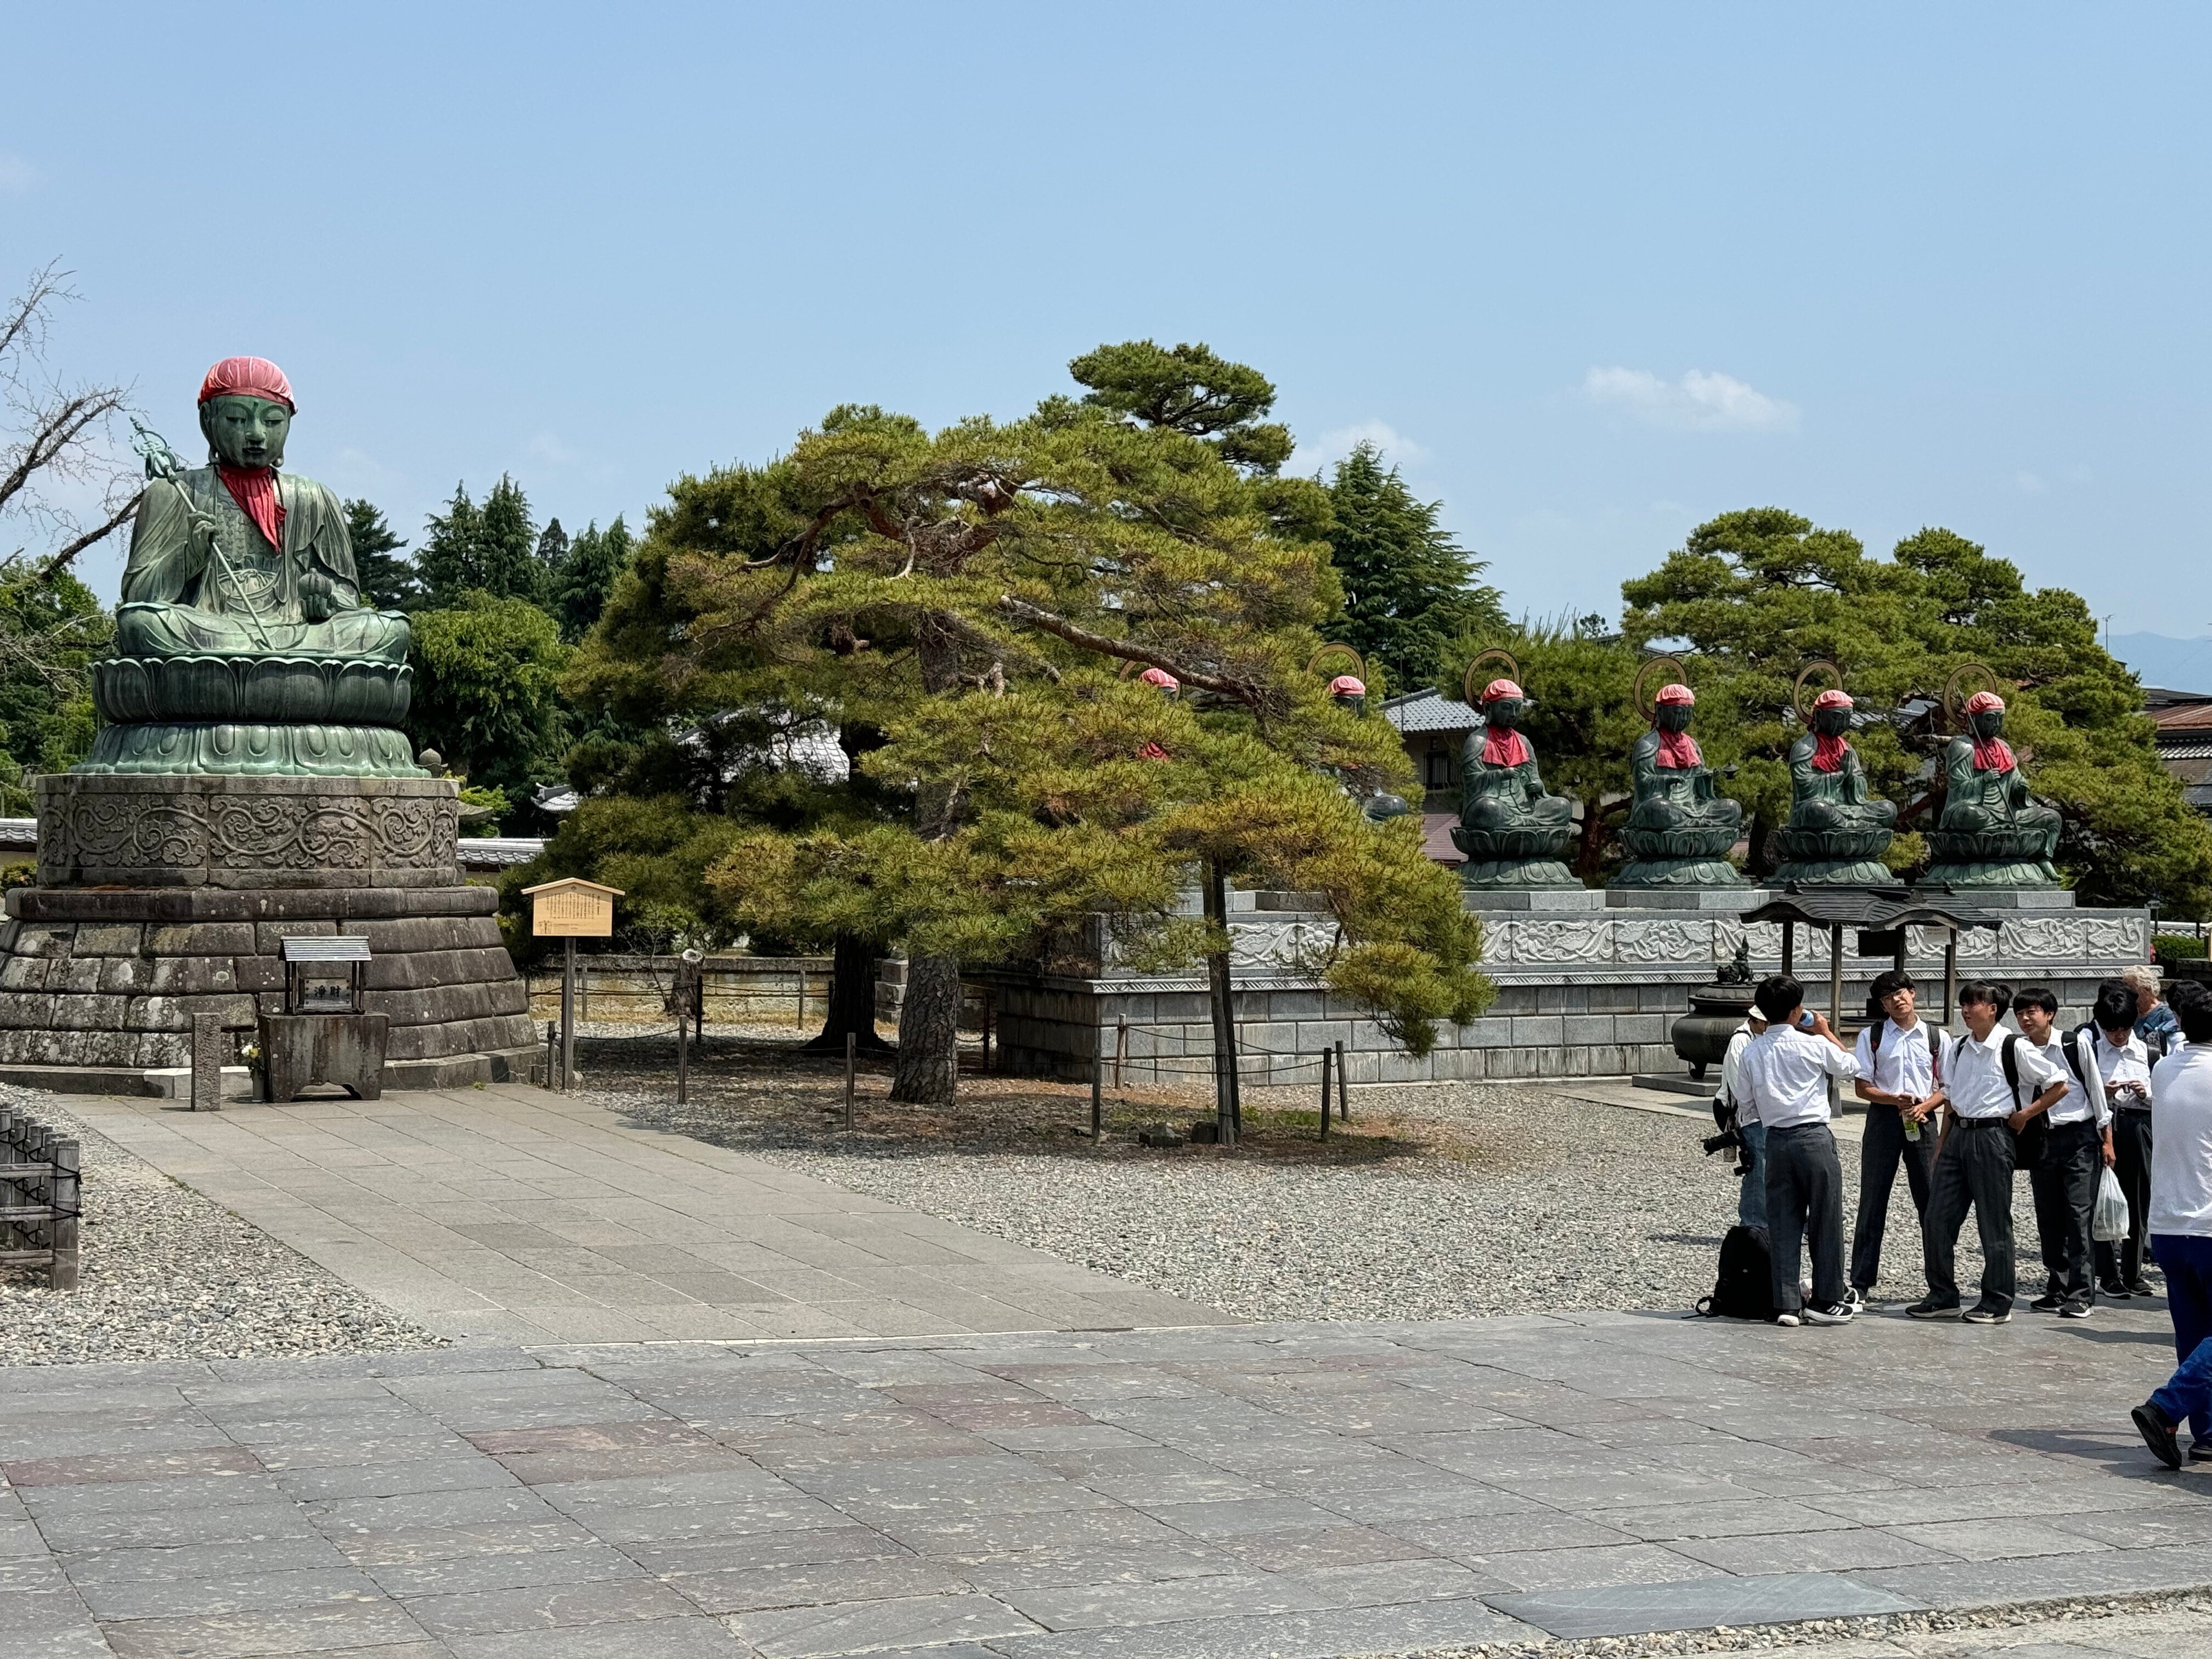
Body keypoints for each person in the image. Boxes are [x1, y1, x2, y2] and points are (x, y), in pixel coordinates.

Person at [1909, 981, 2067, 1323]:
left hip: (1994, 1137)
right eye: (1963, 1004)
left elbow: (2059, 1083)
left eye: (1974, 1004)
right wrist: (1941, 1145)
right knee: (1936, 1218)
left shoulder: (2014, 1047)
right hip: (1958, 1135)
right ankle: (1943, 1295)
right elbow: (1950, 1098)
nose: (1966, 1010)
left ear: (1993, 1009)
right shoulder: (1960, 1046)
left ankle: (1997, 1301)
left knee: (1993, 1222)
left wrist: (2026, 1113)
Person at [1734, 973, 1861, 1327]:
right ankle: (1826, 1298)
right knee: (1825, 1217)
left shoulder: (1751, 1051)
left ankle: (1786, 1303)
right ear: (1796, 1010)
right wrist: (1824, 1031)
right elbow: (1852, 1067)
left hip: (1775, 1138)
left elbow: (1746, 1104)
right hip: (1813, 1136)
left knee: (1783, 1220)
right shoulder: (1813, 1044)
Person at [2126, 981, 2212, 1469]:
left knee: (2194, 1334)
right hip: (2208, 1221)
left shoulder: (2163, 1068)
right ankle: (2166, 1406)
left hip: (2168, 1224)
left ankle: (2208, 1434)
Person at [2012, 986, 2110, 1318]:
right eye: (2020, 1013)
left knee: (2078, 1214)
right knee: (2048, 1215)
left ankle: (2082, 1292)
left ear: (2049, 1014)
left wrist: (2106, 1139)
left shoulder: (2073, 1043)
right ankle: (2057, 1284)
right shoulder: (2019, 1049)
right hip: (2042, 1139)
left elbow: (2096, 1090)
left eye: (2032, 1012)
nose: (2025, 1019)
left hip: (2080, 1136)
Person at [1848, 970, 1942, 1307]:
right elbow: (1862, 1086)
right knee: (1873, 1199)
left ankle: (1940, 1281)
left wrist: (1926, 1106)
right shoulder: (1872, 1036)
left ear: (1913, 993)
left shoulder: (1935, 1036)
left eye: (1901, 992)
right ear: (1882, 1004)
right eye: (1888, 998)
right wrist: (1893, 1099)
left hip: (1924, 1117)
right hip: (1885, 1118)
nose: (1897, 1000)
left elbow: (1947, 1085)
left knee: (1931, 1201)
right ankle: (1860, 1282)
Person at [2090, 979, 2159, 1299]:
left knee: (2138, 1196)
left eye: (2124, 1029)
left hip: (2138, 1124)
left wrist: (2147, 1095)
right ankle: (2108, 1273)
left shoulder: (2148, 1051)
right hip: (2103, 1126)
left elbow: (2163, 1098)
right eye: (2112, 1030)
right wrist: (2103, 1093)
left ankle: (2133, 1273)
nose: (2118, 1036)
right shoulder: (2090, 1050)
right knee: (2101, 1197)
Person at [1718, 1007, 1771, 1229]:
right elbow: (1739, 1086)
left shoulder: (1762, 1037)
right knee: (1758, 1164)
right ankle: (1753, 1220)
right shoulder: (1740, 1041)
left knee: (1771, 1164)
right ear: (1755, 1021)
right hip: (1746, 1111)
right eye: (1765, 1023)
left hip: (1765, 1110)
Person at [2126, 963, 2180, 1053]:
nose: (2128, 994)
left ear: (2147, 990)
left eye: (2132, 990)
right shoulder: (2131, 1013)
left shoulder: (2166, 1014)